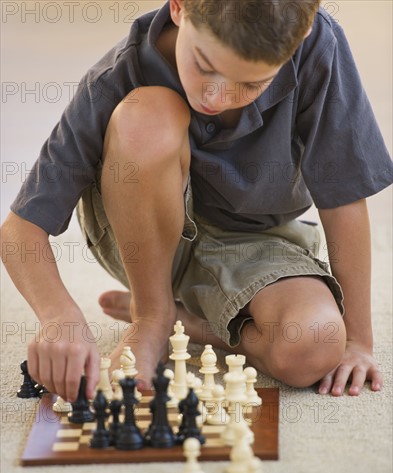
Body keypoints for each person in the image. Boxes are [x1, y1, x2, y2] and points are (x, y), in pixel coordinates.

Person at [1, 0, 392, 403]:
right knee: (146, 118)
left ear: (301, 39)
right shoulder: (120, 71)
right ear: (178, 7)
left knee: (317, 344)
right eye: (204, 65)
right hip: (144, 247)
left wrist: (358, 340)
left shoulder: (318, 45)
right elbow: (20, 229)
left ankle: (190, 323)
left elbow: (343, 195)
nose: (216, 95)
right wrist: (58, 318)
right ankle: (151, 317)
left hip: (259, 242)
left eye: (251, 84)